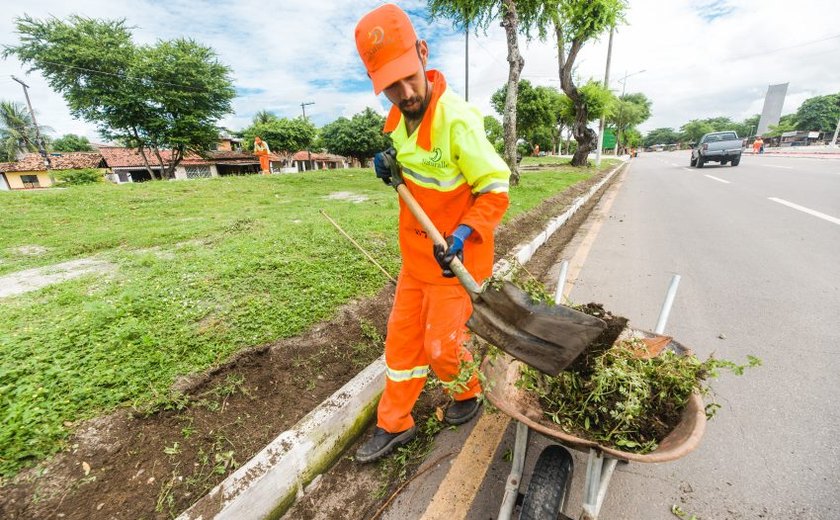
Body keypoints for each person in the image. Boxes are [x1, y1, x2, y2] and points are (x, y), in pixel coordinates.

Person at [353, 3, 510, 463]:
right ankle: (394, 423)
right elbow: (419, 183)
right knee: (401, 343)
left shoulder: (457, 120)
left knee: (443, 345)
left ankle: (468, 393)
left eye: (409, 77)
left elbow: (496, 190)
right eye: (390, 87)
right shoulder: (397, 123)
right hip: (417, 260)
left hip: (457, 259)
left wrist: (463, 233)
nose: (405, 93)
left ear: (423, 53)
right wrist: (392, 168)